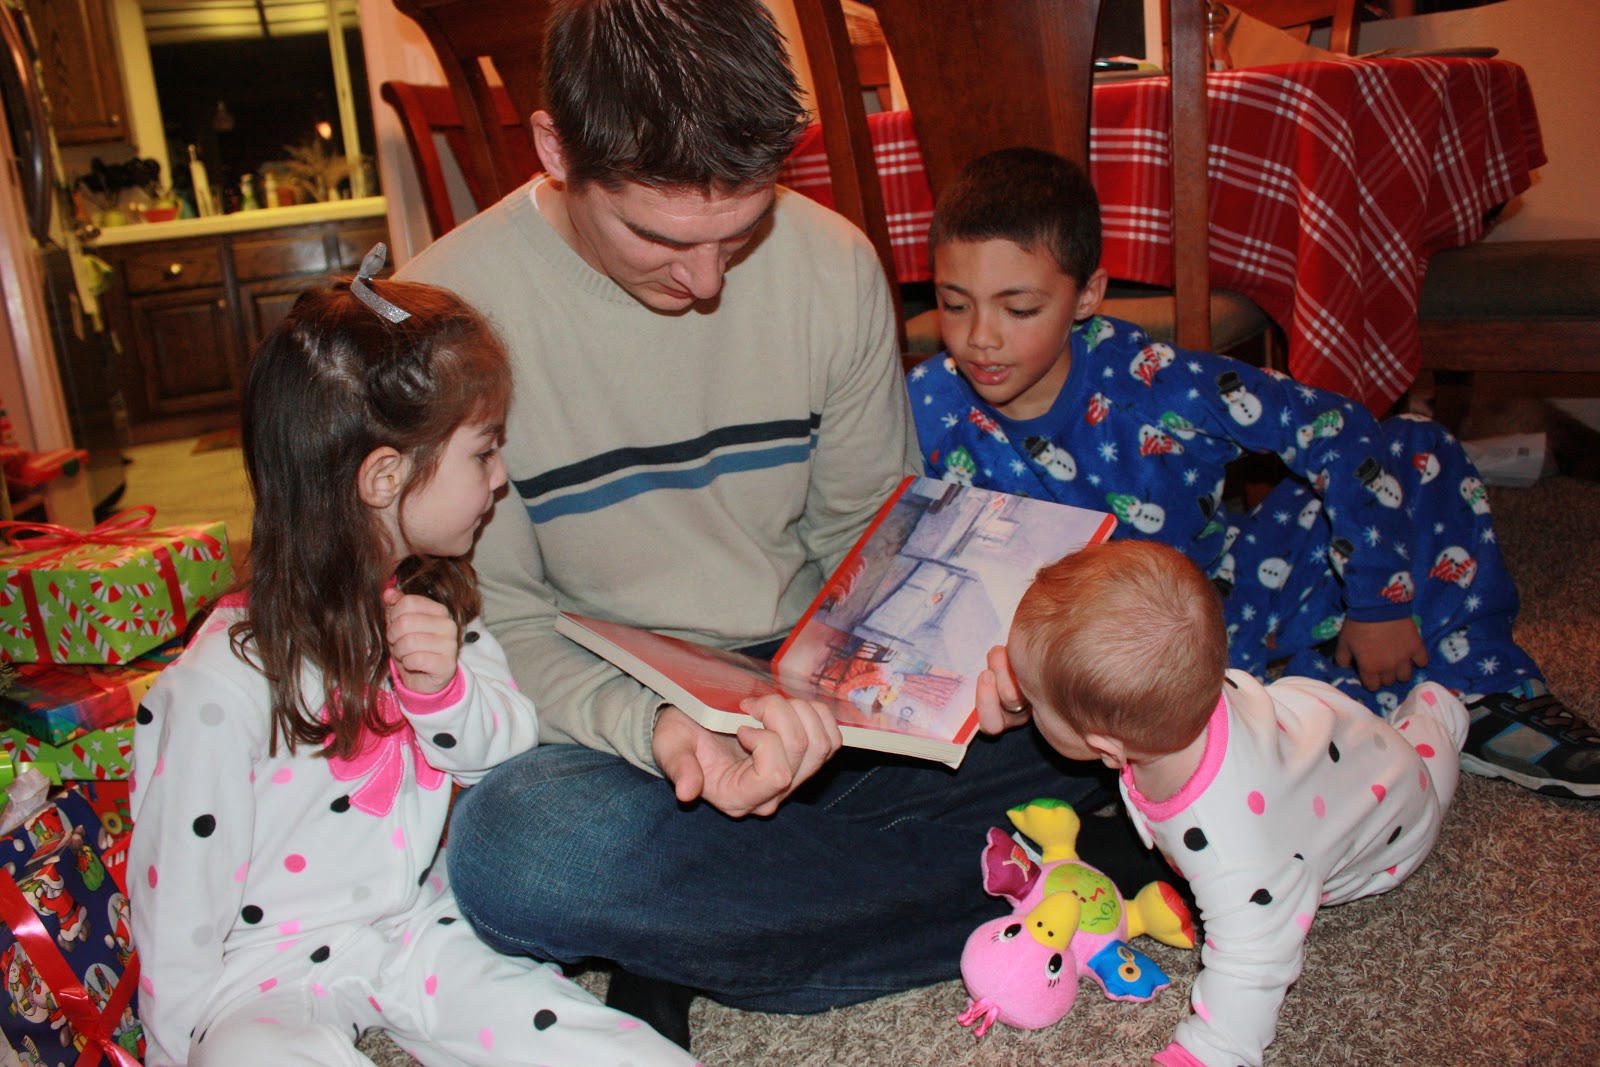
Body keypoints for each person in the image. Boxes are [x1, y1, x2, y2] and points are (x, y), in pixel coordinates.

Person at [396, 0, 1153, 1048]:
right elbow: (508, 628)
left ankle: (704, 921)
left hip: (824, 692)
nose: (706, 282)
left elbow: (868, 540)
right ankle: (1055, 878)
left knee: (1129, 669)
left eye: (741, 231)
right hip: (621, 729)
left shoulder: (831, 263)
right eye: (660, 237)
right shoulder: (446, 316)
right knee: (521, 851)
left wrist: (961, 667)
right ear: (554, 150)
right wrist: (662, 731)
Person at [127, 251, 697, 1067]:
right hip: (259, 972)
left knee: (586, 1038)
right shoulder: (219, 685)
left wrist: (448, 694)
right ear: (384, 475)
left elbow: (508, 747)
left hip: (418, 925)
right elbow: (176, 903)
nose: (500, 478)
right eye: (483, 452)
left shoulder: (432, 599)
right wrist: (173, 1042)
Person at [910, 146, 1600, 800]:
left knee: (1416, 446)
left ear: (1087, 295)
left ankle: (1480, 695)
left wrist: (1378, 600)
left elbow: (1336, 427)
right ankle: (1303, 718)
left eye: (1019, 308)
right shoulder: (925, 402)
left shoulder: (1152, 381)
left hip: (1221, 613)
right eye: (954, 303)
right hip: (1075, 667)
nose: (979, 337)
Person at [1001, 538, 1467, 1067]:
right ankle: (1424, 720)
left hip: (1395, 811)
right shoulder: (1176, 695)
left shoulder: (1235, 854)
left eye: (1032, 699)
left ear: (1107, 750)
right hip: (1322, 726)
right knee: (1379, 742)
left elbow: (1254, 961)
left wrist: (1208, 1052)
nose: (1022, 697)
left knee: (1427, 760)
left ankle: (1440, 713)